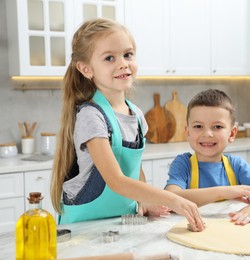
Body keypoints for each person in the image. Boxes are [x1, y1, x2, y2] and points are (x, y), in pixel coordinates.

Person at [50, 18, 204, 231]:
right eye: (110, 58)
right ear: (86, 69)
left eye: (128, 54)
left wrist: (143, 201)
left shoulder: (137, 115)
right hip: (84, 228)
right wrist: (173, 199)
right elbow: (117, 180)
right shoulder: (91, 116)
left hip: (122, 223)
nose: (122, 63)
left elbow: (135, 171)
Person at [165, 89, 250, 225]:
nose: (207, 133)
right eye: (198, 126)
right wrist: (224, 192)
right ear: (188, 132)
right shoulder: (183, 164)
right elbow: (170, 198)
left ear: (232, 134)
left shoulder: (236, 165)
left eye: (217, 126)